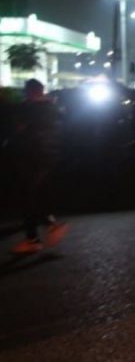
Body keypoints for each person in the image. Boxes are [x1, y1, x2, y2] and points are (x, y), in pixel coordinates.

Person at [9, 79, 68, 254]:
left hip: (32, 155)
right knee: (37, 193)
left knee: (28, 195)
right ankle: (50, 225)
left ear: (29, 92)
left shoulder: (28, 109)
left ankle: (33, 238)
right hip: (48, 154)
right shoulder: (53, 108)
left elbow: (19, 129)